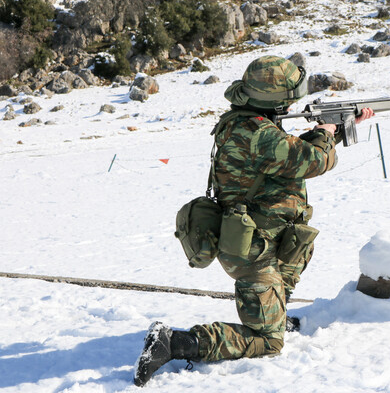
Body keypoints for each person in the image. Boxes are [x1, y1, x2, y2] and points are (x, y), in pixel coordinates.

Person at [134, 55, 374, 386]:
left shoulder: (246, 123)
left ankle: (274, 311)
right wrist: (327, 131)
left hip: (265, 234)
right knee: (268, 342)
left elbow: (286, 157)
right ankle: (175, 343)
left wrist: (333, 131)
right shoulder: (258, 132)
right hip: (251, 248)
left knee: (298, 248)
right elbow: (314, 160)